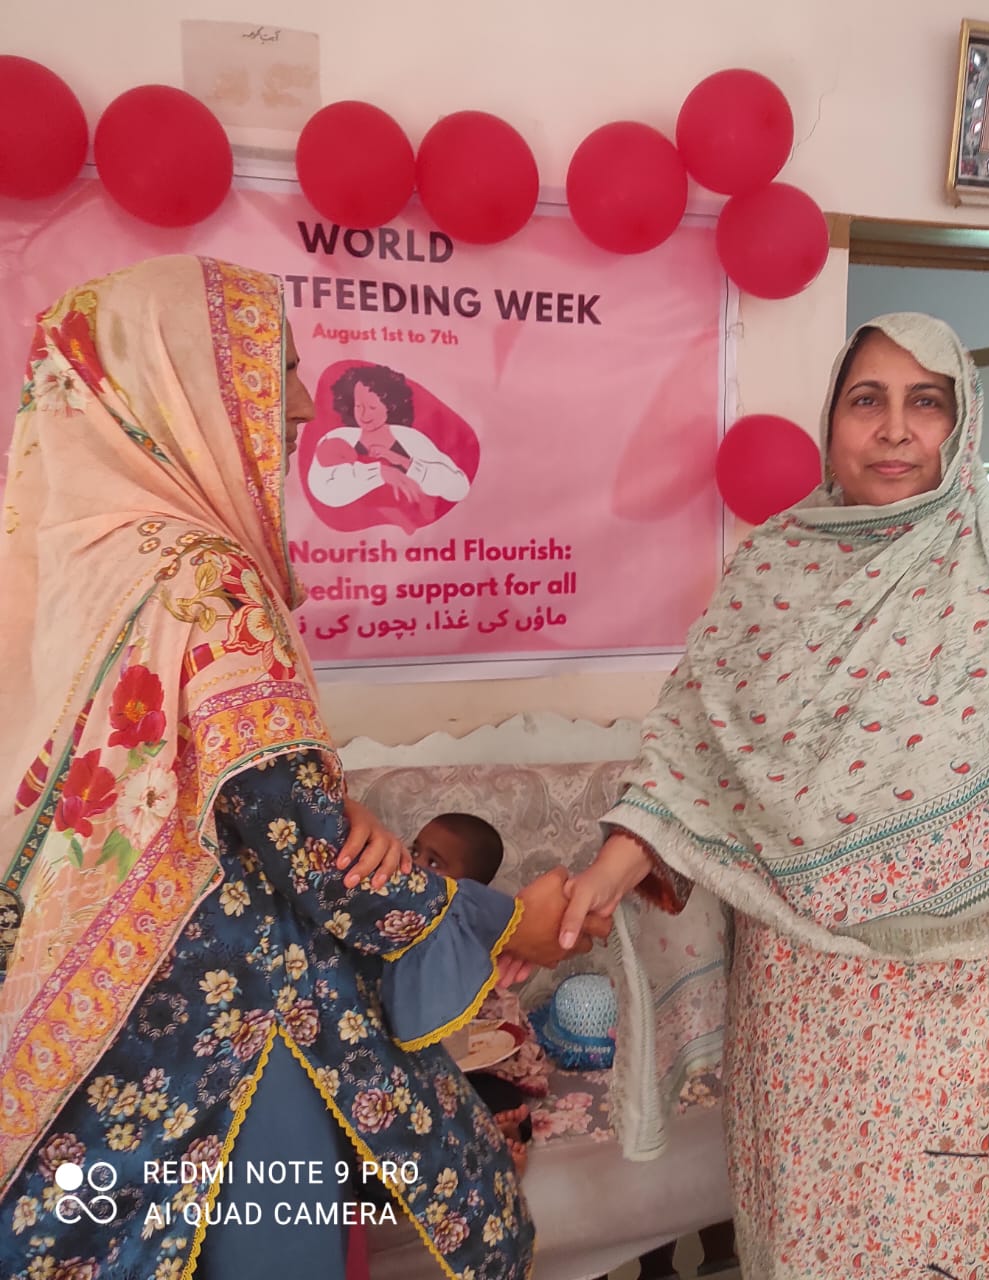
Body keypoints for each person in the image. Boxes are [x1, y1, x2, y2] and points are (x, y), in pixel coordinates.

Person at [0, 256, 604, 1280]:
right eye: (266, 364)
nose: (290, 404)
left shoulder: (63, 567)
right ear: (178, 385)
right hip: (229, 1042)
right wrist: (504, 922)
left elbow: (200, 804)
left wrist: (330, 801)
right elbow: (302, 847)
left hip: (82, 1040)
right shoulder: (204, 573)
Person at [559, 313, 989, 1279]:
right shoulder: (769, 568)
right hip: (795, 1023)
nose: (894, 430)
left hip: (969, 1031)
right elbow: (694, 748)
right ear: (832, 423)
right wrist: (615, 863)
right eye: (867, 401)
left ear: (961, 425)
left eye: (924, 402)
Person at [409, 812, 551, 1176]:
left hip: (470, 1060)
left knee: (499, 1096)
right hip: (415, 1063)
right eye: (415, 853)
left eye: (434, 863)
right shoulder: (395, 920)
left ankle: (505, 1135)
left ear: (469, 889)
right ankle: (470, 1141)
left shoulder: (474, 930)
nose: (416, 866)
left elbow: (491, 1010)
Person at [306, 363, 471, 534]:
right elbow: (323, 490)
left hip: (424, 546)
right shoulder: (337, 439)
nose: (363, 415)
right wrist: (378, 474)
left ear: (390, 406)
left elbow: (458, 488)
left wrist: (404, 462)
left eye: (372, 407)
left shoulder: (412, 440)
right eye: (358, 406)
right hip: (358, 546)